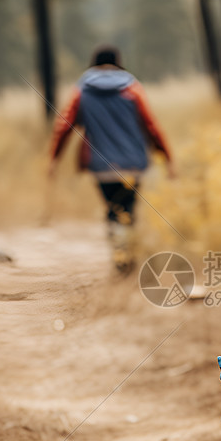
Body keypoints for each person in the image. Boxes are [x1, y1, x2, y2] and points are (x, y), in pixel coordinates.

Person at [49, 44, 175, 273]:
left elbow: (64, 126)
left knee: (112, 207)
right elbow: (151, 125)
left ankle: (120, 258)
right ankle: (126, 258)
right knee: (128, 208)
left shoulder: (82, 92)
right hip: (133, 164)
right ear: (119, 62)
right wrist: (167, 157)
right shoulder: (133, 89)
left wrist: (54, 158)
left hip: (101, 165)